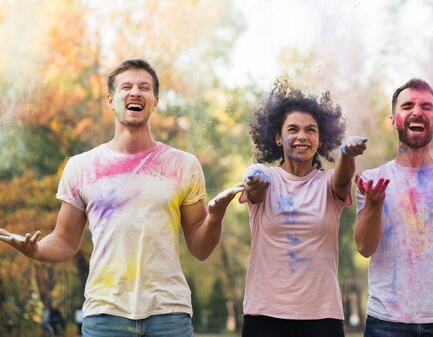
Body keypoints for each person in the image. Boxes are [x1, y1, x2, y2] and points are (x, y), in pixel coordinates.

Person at [0, 58, 242, 337]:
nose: (135, 92)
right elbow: (65, 241)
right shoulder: (82, 166)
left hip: (168, 315)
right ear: (110, 99)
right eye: (126, 87)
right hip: (105, 315)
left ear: (155, 101)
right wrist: (36, 250)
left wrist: (215, 216)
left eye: (144, 88)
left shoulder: (183, 165)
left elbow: (200, 249)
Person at [239, 80, 367, 337]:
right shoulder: (267, 176)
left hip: (321, 317)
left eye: (311, 130)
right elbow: (253, 181)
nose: (302, 136)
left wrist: (347, 154)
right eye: (293, 129)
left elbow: (343, 179)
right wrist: (254, 178)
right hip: (265, 315)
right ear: (278, 137)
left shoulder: (328, 184)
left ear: (320, 140)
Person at [355, 78, 433, 337]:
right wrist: (374, 205)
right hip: (386, 323)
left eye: (426, 106)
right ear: (393, 119)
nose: (417, 112)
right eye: (407, 105)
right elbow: (365, 248)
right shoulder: (371, 180)